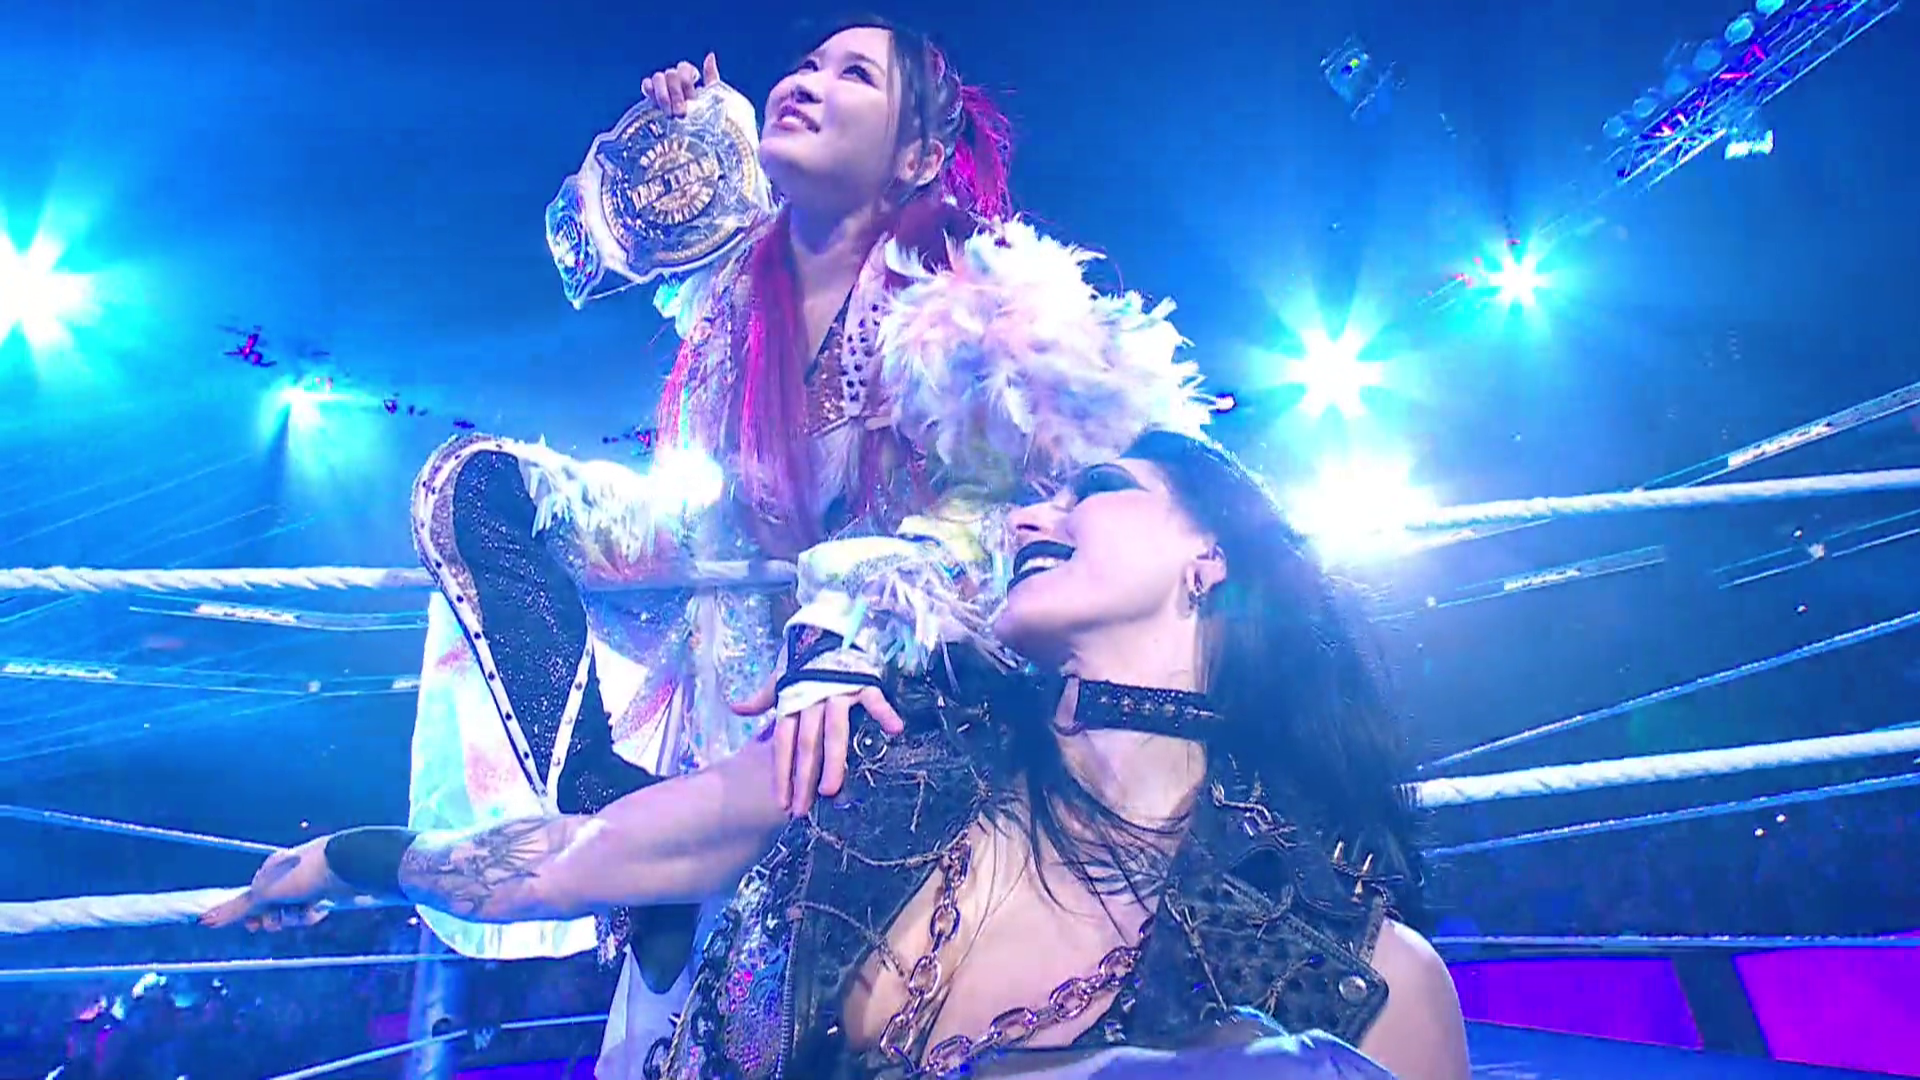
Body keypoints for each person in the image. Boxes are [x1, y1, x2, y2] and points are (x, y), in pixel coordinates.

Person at [409, 17, 1207, 1076]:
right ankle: (604, 798)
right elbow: (584, 248)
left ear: (918, 155)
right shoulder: (738, 277)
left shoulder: (971, 301)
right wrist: (684, 130)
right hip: (716, 634)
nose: (808, 82)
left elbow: (1012, 513)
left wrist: (855, 614)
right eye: (805, 64)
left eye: (854, 74)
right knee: (474, 486)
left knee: (770, 1027)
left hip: (890, 702)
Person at [209, 431, 1470, 1080]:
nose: (1031, 515)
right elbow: (572, 859)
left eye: (1090, 487)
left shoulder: (1359, 978)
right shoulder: (878, 754)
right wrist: (345, 858)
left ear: (1213, 556)